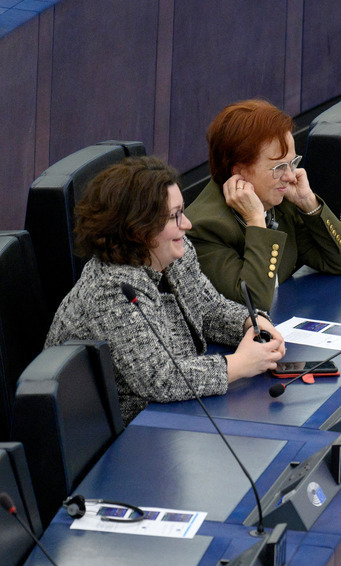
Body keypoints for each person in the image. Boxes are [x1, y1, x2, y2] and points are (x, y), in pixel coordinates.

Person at [46, 156, 286, 424]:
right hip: (122, 434)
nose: (187, 224)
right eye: (174, 216)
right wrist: (239, 364)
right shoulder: (111, 289)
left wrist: (251, 323)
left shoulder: (174, 253)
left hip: (171, 415)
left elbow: (208, 310)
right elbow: (159, 378)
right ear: (138, 229)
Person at [186, 99, 341, 310]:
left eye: (292, 163)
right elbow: (252, 304)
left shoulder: (280, 201)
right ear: (239, 172)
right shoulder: (205, 228)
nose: (290, 176)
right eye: (278, 167)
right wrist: (256, 222)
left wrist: (308, 203)